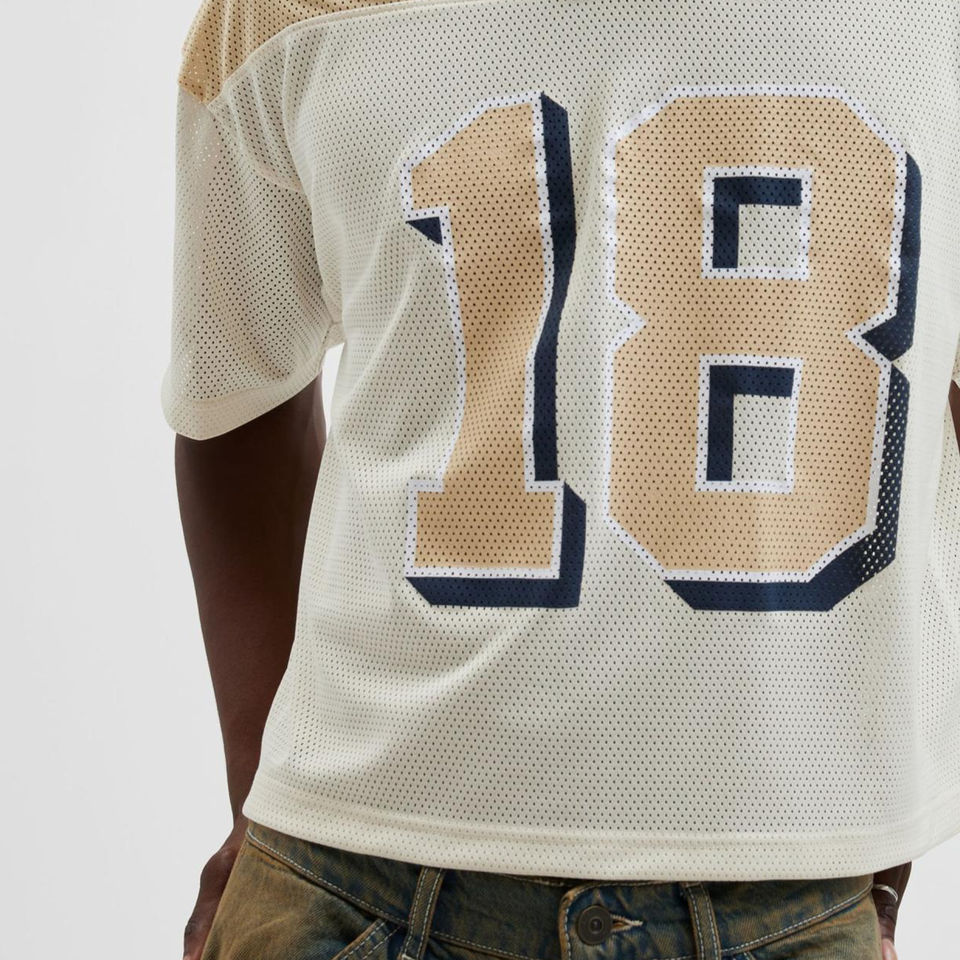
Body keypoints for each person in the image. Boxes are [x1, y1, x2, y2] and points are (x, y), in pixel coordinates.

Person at [163, 1, 960, 958]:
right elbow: (235, 393)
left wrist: (879, 826)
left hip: (788, 888)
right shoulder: (281, 15)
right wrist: (264, 791)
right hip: (356, 864)